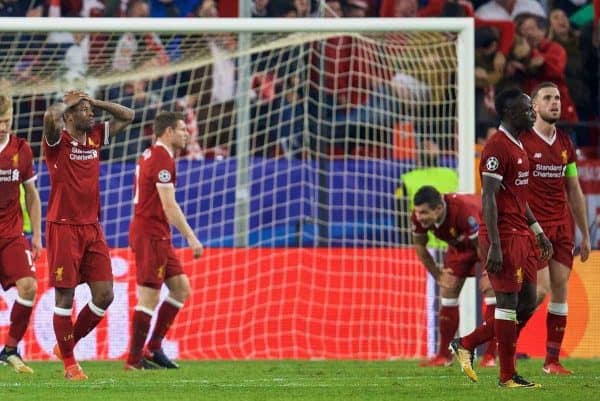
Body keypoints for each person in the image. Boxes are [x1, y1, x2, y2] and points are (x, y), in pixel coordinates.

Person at [449, 87, 552, 388]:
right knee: (507, 304)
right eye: (526, 109)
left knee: (528, 301)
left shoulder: (519, 146)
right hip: (502, 235)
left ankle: (467, 342)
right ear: (508, 113)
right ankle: (507, 376)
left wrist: (537, 230)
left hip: (521, 232)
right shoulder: (496, 147)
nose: (533, 113)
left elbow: (519, 196)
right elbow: (489, 199)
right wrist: (493, 244)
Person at [43, 89, 134, 380]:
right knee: (65, 297)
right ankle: (70, 365)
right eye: (83, 110)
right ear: (68, 115)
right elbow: (48, 116)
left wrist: (94, 102)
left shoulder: (96, 136)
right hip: (63, 226)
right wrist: (67, 100)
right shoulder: (57, 141)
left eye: (89, 109)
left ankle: (66, 346)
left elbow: (128, 116)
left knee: (105, 294)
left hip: (92, 227)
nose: (90, 114)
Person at [521, 82, 590, 375]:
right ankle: (501, 335)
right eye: (547, 98)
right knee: (538, 292)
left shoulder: (565, 144)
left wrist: (585, 234)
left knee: (560, 287)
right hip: (532, 227)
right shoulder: (522, 141)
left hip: (562, 226)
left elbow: (573, 189)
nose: (555, 103)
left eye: (558, 98)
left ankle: (551, 361)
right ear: (534, 106)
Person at [125, 111, 203, 370]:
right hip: (151, 234)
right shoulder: (161, 158)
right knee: (149, 296)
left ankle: (154, 346)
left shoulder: (154, 154)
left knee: (181, 288)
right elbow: (169, 206)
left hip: (155, 232)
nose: (186, 133)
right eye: (182, 129)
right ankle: (134, 360)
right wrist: (192, 238)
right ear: (168, 132)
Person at [411, 186, 496, 368]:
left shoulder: (464, 212)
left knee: (492, 291)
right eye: (417, 212)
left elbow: (480, 245)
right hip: (460, 246)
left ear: (439, 209)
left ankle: (490, 356)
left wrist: (489, 272)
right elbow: (419, 246)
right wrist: (438, 274)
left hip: (488, 241)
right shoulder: (419, 216)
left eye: (424, 212)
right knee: (448, 290)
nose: (419, 217)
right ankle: (443, 356)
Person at [0, 95, 41, 374]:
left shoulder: (21, 149)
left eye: (7, 120)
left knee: (29, 286)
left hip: (12, 234)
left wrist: (37, 235)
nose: (3, 126)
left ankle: (11, 350)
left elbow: (32, 195)